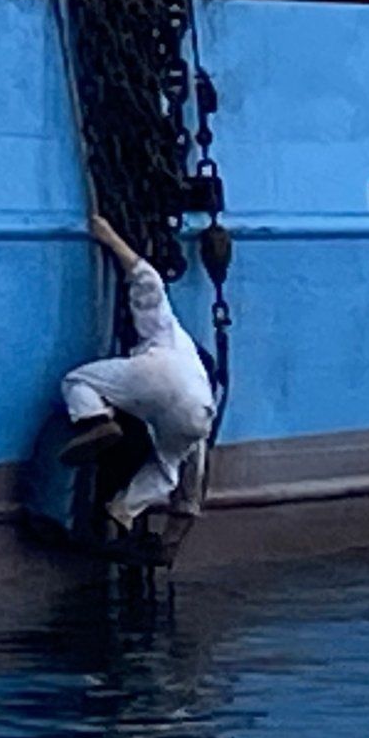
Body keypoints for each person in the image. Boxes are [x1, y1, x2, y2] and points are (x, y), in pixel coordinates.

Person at [60, 214, 216, 529]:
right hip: (197, 411)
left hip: (156, 372)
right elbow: (196, 450)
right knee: (166, 470)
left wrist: (107, 235)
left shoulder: (170, 332)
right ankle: (123, 510)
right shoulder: (201, 375)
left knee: (77, 381)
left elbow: (147, 279)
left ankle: (96, 419)